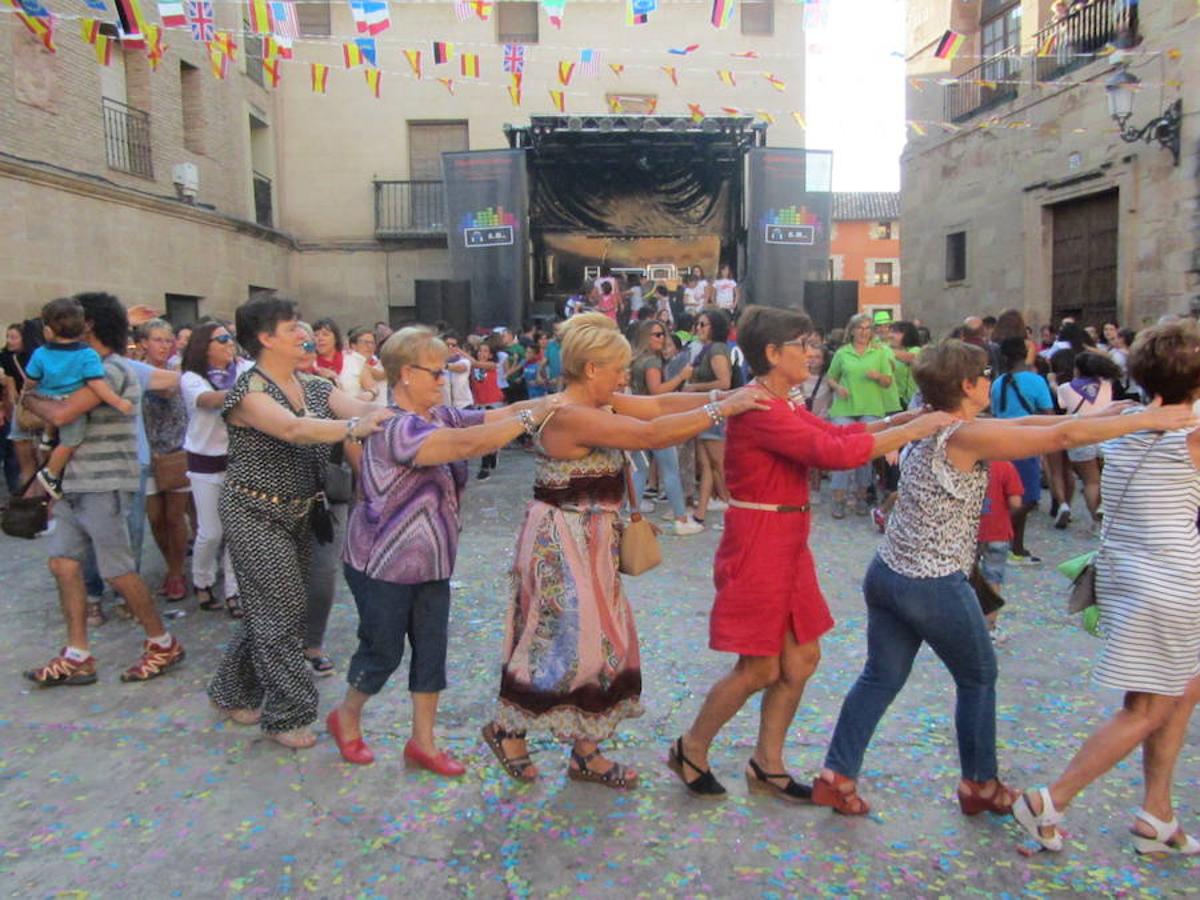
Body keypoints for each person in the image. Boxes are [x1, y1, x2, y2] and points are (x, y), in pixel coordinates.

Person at [813, 339, 1194, 818]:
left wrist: (1109, 416)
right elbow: (1057, 440)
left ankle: (836, 774)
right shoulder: (963, 436)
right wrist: (1143, 419)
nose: (991, 381)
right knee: (979, 677)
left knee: (880, 677)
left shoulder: (934, 423)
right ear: (967, 385)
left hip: (888, 573)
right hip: (931, 584)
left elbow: (1036, 425)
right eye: (984, 375)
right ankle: (980, 783)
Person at [672, 307, 953, 799]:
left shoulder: (783, 400)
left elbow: (834, 435)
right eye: (801, 344)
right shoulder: (760, 405)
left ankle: (767, 762)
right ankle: (691, 747)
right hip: (759, 540)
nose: (812, 351)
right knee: (758, 667)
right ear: (772, 354)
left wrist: (902, 417)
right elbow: (833, 454)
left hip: (787, 540)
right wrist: (912, 430)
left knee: (800, 660)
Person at [481, 313, 768, 787]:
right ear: (592, 368)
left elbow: (657, 407)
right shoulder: (569, 413)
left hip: (592, 537)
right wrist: (725, 410)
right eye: (617, 369)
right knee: (562, 640)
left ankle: (585, 749)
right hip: (561, 539)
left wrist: (724, 395)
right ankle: (509, 728)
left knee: (602, 643)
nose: (624, 377)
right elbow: (650, 434)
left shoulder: (600, 402)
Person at [327, 327, 561, 770]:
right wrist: (534, 418)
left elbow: (498, 415)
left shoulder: (443, 416)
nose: (442, 378)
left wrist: (554, 402)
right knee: (382, 653)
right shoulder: (394, 425)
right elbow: (468, 444)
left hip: (432, 561)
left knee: (431, 651)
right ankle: (347, 716)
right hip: (381, 564)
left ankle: (424, 742)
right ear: (405, 374)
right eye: (433, 371)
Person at [1014, 321, 1200, 854]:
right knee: (1147, 705)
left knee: (1180, 688)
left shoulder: (1123, 415)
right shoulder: (1188, 427)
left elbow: (1042, 423)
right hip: (1168, 578)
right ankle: (1049, 799)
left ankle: (1157, 814)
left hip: (1124, 570)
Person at [207, 297, 391, 748]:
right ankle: (288, 714)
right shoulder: (248, 391)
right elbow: (293, 429)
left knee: (273, 609)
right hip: (253, 512)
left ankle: (231, 691)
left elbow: (359, 409)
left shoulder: (311, 384)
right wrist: (351, 429)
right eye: (291, 327)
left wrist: (403, 409)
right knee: (284, 609)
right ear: (266, 338)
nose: (302, 333)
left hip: (302, 510)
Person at [21, 292, 185, 686]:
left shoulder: (110, 371)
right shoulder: (79, 369)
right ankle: (78, 654)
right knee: (63, 563)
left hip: (105, 481)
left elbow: (59, 413)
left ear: (88, 324)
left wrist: (31, 396)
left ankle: (162, 643)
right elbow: (37, 417)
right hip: (74, 482)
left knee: (118, 572)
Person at [25, 298, 134, 499]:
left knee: (56, 420)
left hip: (95, 479)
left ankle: (48, 439)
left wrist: (27, 396)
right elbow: (92, 387)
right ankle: (50, 473)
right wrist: (118, 402)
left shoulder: (41, 353)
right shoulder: (88, 356)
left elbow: (32, 384)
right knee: (70, 440)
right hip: (91, 479)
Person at [181, 321, 250, 617]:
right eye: (221, 339)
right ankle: (202, 580)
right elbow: (208, 401)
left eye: (229, 337)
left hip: (239, 457)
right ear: (204, 346)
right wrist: (249, 391)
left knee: (237, 531)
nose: (228, 343)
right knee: (210, 532)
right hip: (204, 459)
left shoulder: (246, 369)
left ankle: (234, 591)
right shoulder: (192, 377)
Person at [296, 322, 351, 677]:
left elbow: (356, 419)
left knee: (324, 571)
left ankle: (312, 642)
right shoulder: (254, 388)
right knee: (281, 579)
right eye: (298, 342)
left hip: (326, 493)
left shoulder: (323, 386)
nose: (307, 348)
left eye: (309, 343)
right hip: (274, 499)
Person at [628, 320, 699, 535]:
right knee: (670, 470)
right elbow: (657, 391)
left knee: (640, 469)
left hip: (637, 418)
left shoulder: (637, 360)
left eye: (663, 334)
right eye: (656, 334)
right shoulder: (651, 362)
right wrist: (681, 377)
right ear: (645, 337)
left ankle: (633, 518)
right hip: (656, 420)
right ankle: (681, 519)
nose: (662, 338)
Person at [137, 320, 190, 603]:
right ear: (144, 342)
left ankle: (176, 572)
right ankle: (169, 561)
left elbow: (169, 391)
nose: (164, 345)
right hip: (146, 454)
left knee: (174, 517)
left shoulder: (177, 369)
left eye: (168, 340)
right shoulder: (133, 368)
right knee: (155, 518)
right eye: (158, 340)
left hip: (176, 451)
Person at [824, 313, 896, 518]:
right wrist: (838, 388)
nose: (864, 332)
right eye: (860, 328)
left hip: (871, 408)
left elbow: (888, 382)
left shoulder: (879, 353)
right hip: (844, 408)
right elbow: (830, 377)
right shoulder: (842, 353)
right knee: (842, 453)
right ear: (852, 330)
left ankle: (862, 497)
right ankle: (838, 498)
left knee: (864, 455)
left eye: (868, 328)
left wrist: (878, 376)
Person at [990, 337, 1055, 561]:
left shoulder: (999, 382)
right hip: (1026, 442)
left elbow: (996, 412)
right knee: (1028, 497)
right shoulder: (1036, 381)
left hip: (1001, 441)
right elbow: (1048, 413)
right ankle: (996, 534)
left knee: (1011, 493)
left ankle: (1016, 547)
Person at [1055, 350, 1123, 528]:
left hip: (1080, 436)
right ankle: (1106, 508)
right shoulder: (1107, 384)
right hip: (1105, 434)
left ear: (1077, 369)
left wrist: (1053, 383)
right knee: (1107, 477)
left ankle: (1096, 520)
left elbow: (1062, 405)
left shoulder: (1065, 388)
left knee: (1090, 481)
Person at [684, 309, 734, 527]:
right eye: (697, 324)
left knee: (719, 466)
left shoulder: (717, 349)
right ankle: (700, 515)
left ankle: (735, 511)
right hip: (707, 411)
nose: (698, 328)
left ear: (714, 327)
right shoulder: (709, 349)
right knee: (707, 467)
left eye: (703, 324)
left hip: (715, 412)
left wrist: (694, 387)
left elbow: (724, 383)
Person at [976, 459, 1024, 642]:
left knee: (965, 578)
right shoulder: (1005, 466)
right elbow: (1016, 502)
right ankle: (989, 626)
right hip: (997, 531)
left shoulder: (967, 461)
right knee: (993, 578)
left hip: (969, 532)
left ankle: (964, 624)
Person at [1, 320, 41, 491]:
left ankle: (24, 495)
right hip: (24, 410)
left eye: (14, 337)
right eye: (8, 337)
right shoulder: (5, 358)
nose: (10, 341)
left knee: (24, 461)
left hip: (25, 409)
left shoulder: (25, 358)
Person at [469, 342, 504, 480]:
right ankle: (493, 452)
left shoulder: (492, 365)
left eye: (485, 351)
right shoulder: (472, 368)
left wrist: (459, 351)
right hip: (479, 404)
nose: (481, 353)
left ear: (490, 355)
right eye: (479, 351)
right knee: (484, 437)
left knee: (488, 436)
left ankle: (484, 467)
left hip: (494, 404)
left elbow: (477, 364)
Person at [340, 327, 386, 404]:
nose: (370, 346)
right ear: (353, 345)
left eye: (372, 343)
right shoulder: (346, 362)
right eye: (365, 342)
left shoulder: (381, 364)